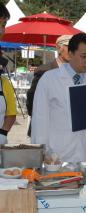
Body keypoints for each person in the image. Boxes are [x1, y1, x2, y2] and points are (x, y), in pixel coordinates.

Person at [31, 33, 86, 162]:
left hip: (83, 152)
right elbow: (39, 119)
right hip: (56, 154)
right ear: (70, 53)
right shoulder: (49, 79)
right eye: (83, 56)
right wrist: (42, 151)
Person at [26, 35, 72, 136]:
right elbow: (31, 99)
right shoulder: (44, 70)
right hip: (45, 129)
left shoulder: (76, 72)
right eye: (70, 47)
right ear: (59, 48)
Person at [0, 3, 16, 144]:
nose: (1, 31)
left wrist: (3, 134)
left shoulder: (3, 82)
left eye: (3, 25)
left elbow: (11, 113)